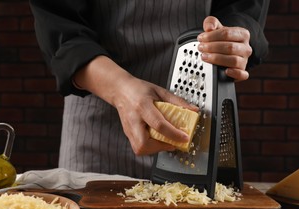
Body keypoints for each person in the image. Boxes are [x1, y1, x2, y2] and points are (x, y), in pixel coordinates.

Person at [29, 0, 269, 179]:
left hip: (200, 126)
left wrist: (233, 40)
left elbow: (244, 10)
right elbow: (62, 29)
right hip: (99, 131)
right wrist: (121, 91)